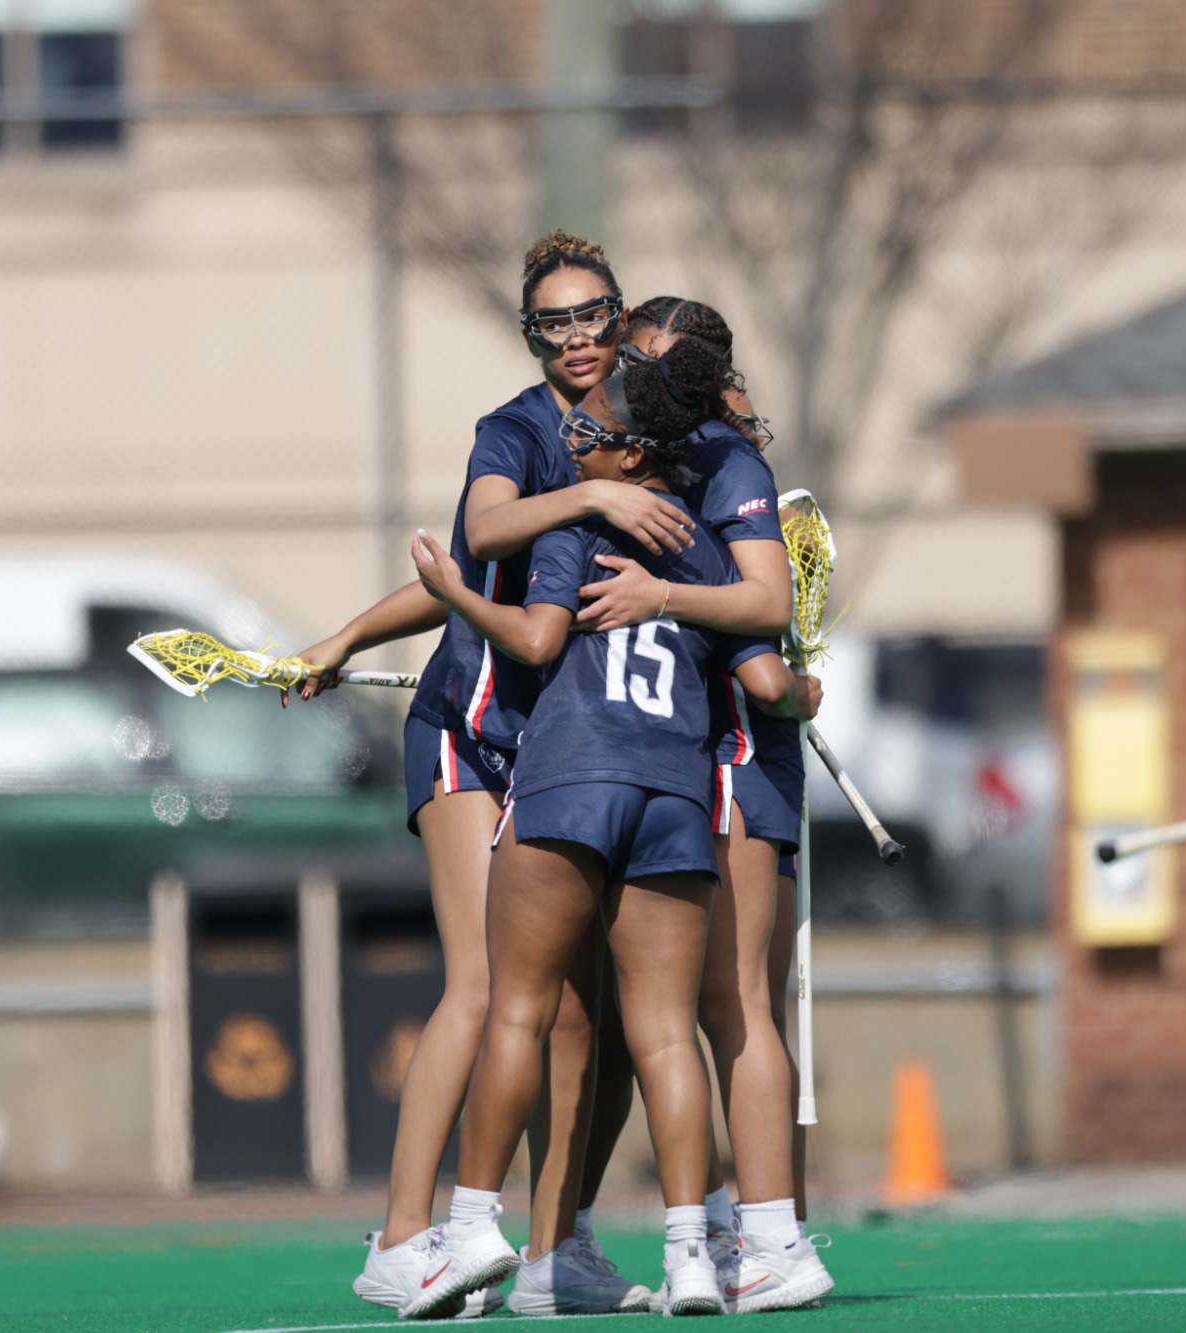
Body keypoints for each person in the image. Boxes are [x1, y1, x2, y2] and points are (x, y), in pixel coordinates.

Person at [398, 339, 821, 1320]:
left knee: (519, 1009)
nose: (570, 440)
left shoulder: (575, 527)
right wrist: (803, 687)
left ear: (633, 455)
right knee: (668, 1032)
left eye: (588, 432)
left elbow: (538, 638)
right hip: (674, 797)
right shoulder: (705, 546)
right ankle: (686, 1252)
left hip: (569, 782)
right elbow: (764, 678)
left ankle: (466, 1230)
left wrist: (454, 596)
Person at [313, 231, 686, 1318]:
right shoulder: (518, 430)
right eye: (553, 322)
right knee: (483, 987)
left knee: (584, 1018)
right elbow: (476, 538)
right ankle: (398, 1238)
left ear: (621, 315)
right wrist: (340, 639)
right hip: (467, 732)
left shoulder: (644, 430)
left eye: (592, 314)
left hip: (567, 751)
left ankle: (553, 1247)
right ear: (531, 337)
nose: (576, 337)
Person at [612, 297, 834, 1312]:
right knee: (713, 1006)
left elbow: (758, 626)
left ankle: (775, 1236)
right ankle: (737, 1233)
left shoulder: (728, 462)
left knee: (739, 1001)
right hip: (688, 757)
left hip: (739, 758)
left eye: (652, 362)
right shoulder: (652, 459)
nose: (632, 379)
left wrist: (786, 684)